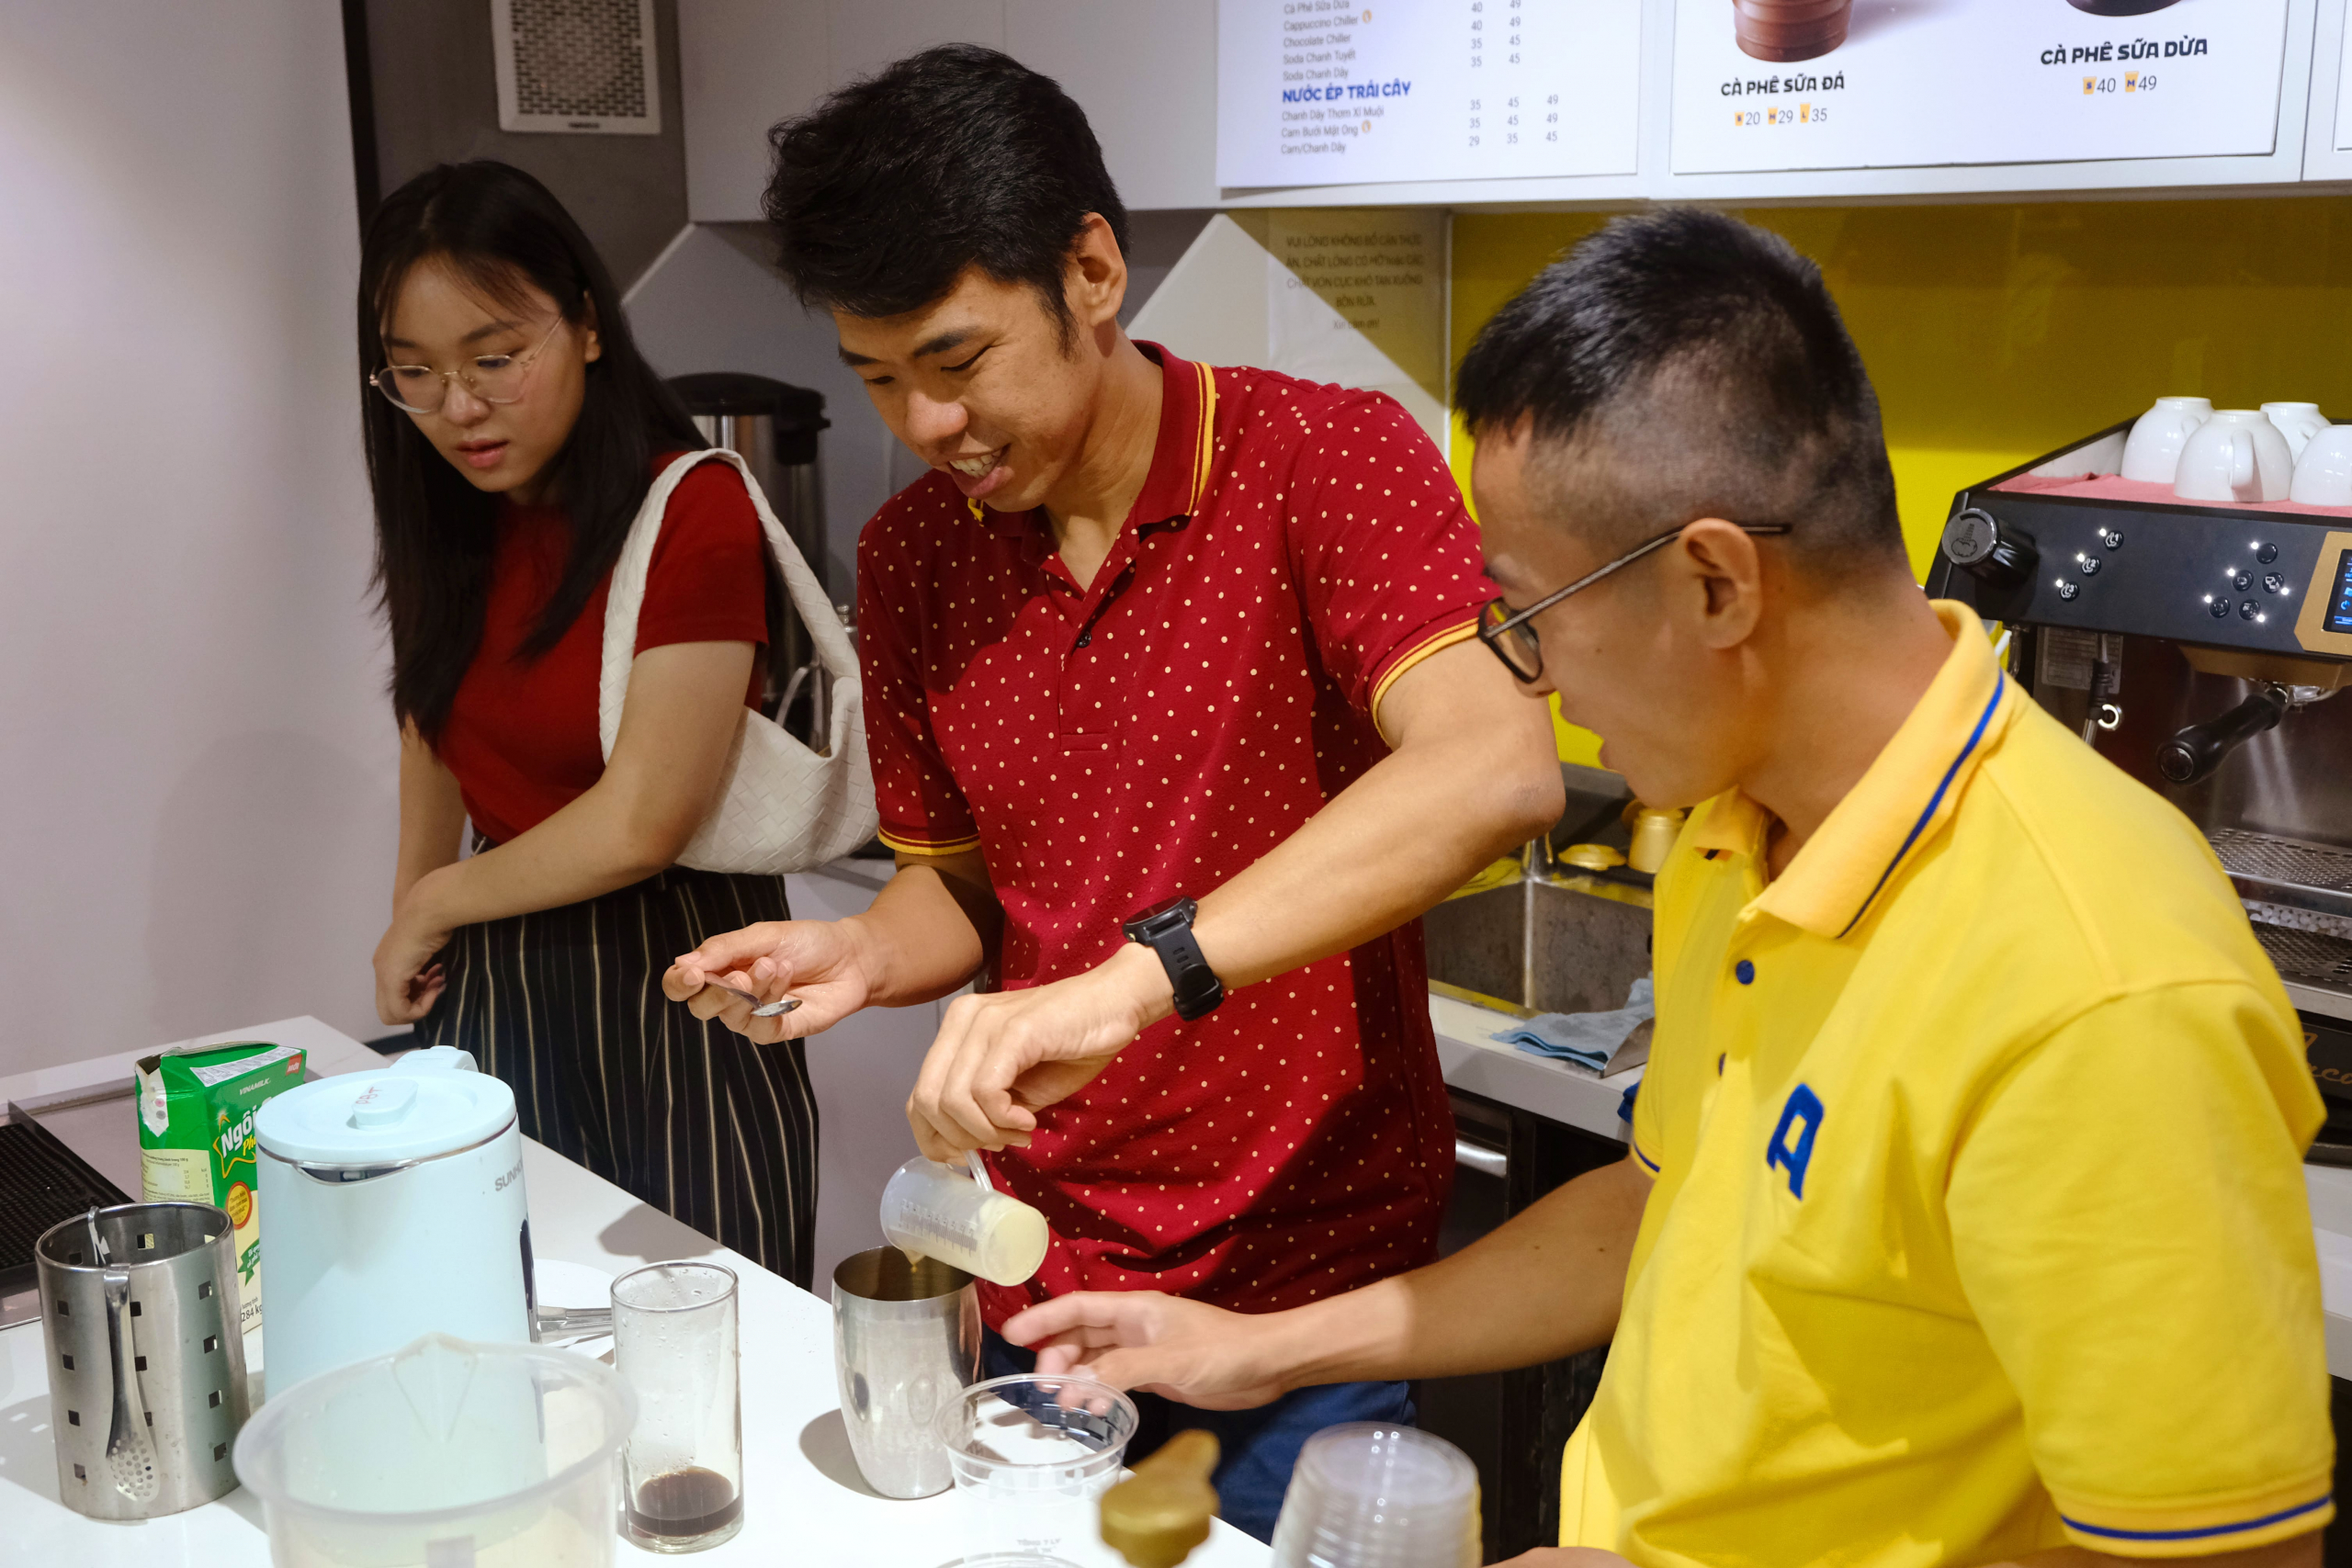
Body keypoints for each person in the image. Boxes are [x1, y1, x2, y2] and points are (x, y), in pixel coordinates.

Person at [1000, 209, 2335, 1567]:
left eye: (1528, 614)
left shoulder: (2097, 984)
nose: (1533, 676)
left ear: (1711, 583)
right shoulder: (1730, 829)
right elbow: (1658, 1204)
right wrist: (1265, 1347)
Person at [663, 45, 1562, 1538]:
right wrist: (865, 951)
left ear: (1092, 269)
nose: (926, 426)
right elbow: (962, 881)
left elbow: (1495, 763)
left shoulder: (1316, 460)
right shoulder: (914, 560)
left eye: (955, 363)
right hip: (1040, 1282)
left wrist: (1142, 979)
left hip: (1303, 1293)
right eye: (877, 379)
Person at [360, 161, 819, 1285]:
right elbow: (432, 715)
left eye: (494, 360)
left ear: (587, 327)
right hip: (499, 980)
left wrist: (435, 900)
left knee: (715, 1335)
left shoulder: (690, 508)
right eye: (415, 375)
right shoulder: (450, 516)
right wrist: (411, 911)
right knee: (507, 1327)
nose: (458, 409)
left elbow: (641, 821)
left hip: (685, 974)